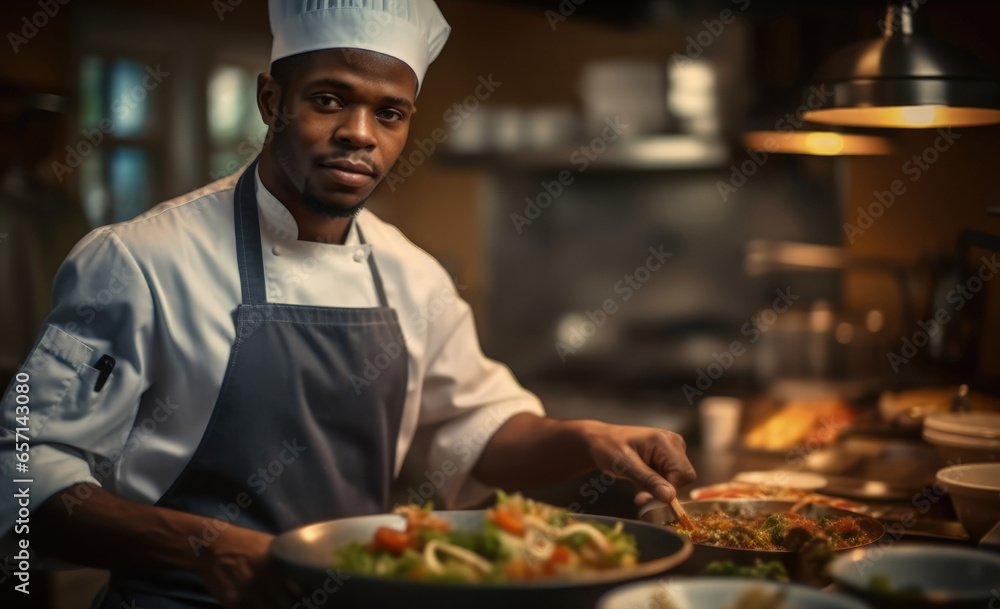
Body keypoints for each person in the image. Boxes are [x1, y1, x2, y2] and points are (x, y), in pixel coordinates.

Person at [0, 1, 695, 607]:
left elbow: (475, 429)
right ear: (272, 100)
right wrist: (206, 546)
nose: (361, 132)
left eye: (389, 112)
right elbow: (22, 470)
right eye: (331, 99)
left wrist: (589, 441)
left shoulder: (412, 276)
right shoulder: (139, 261)